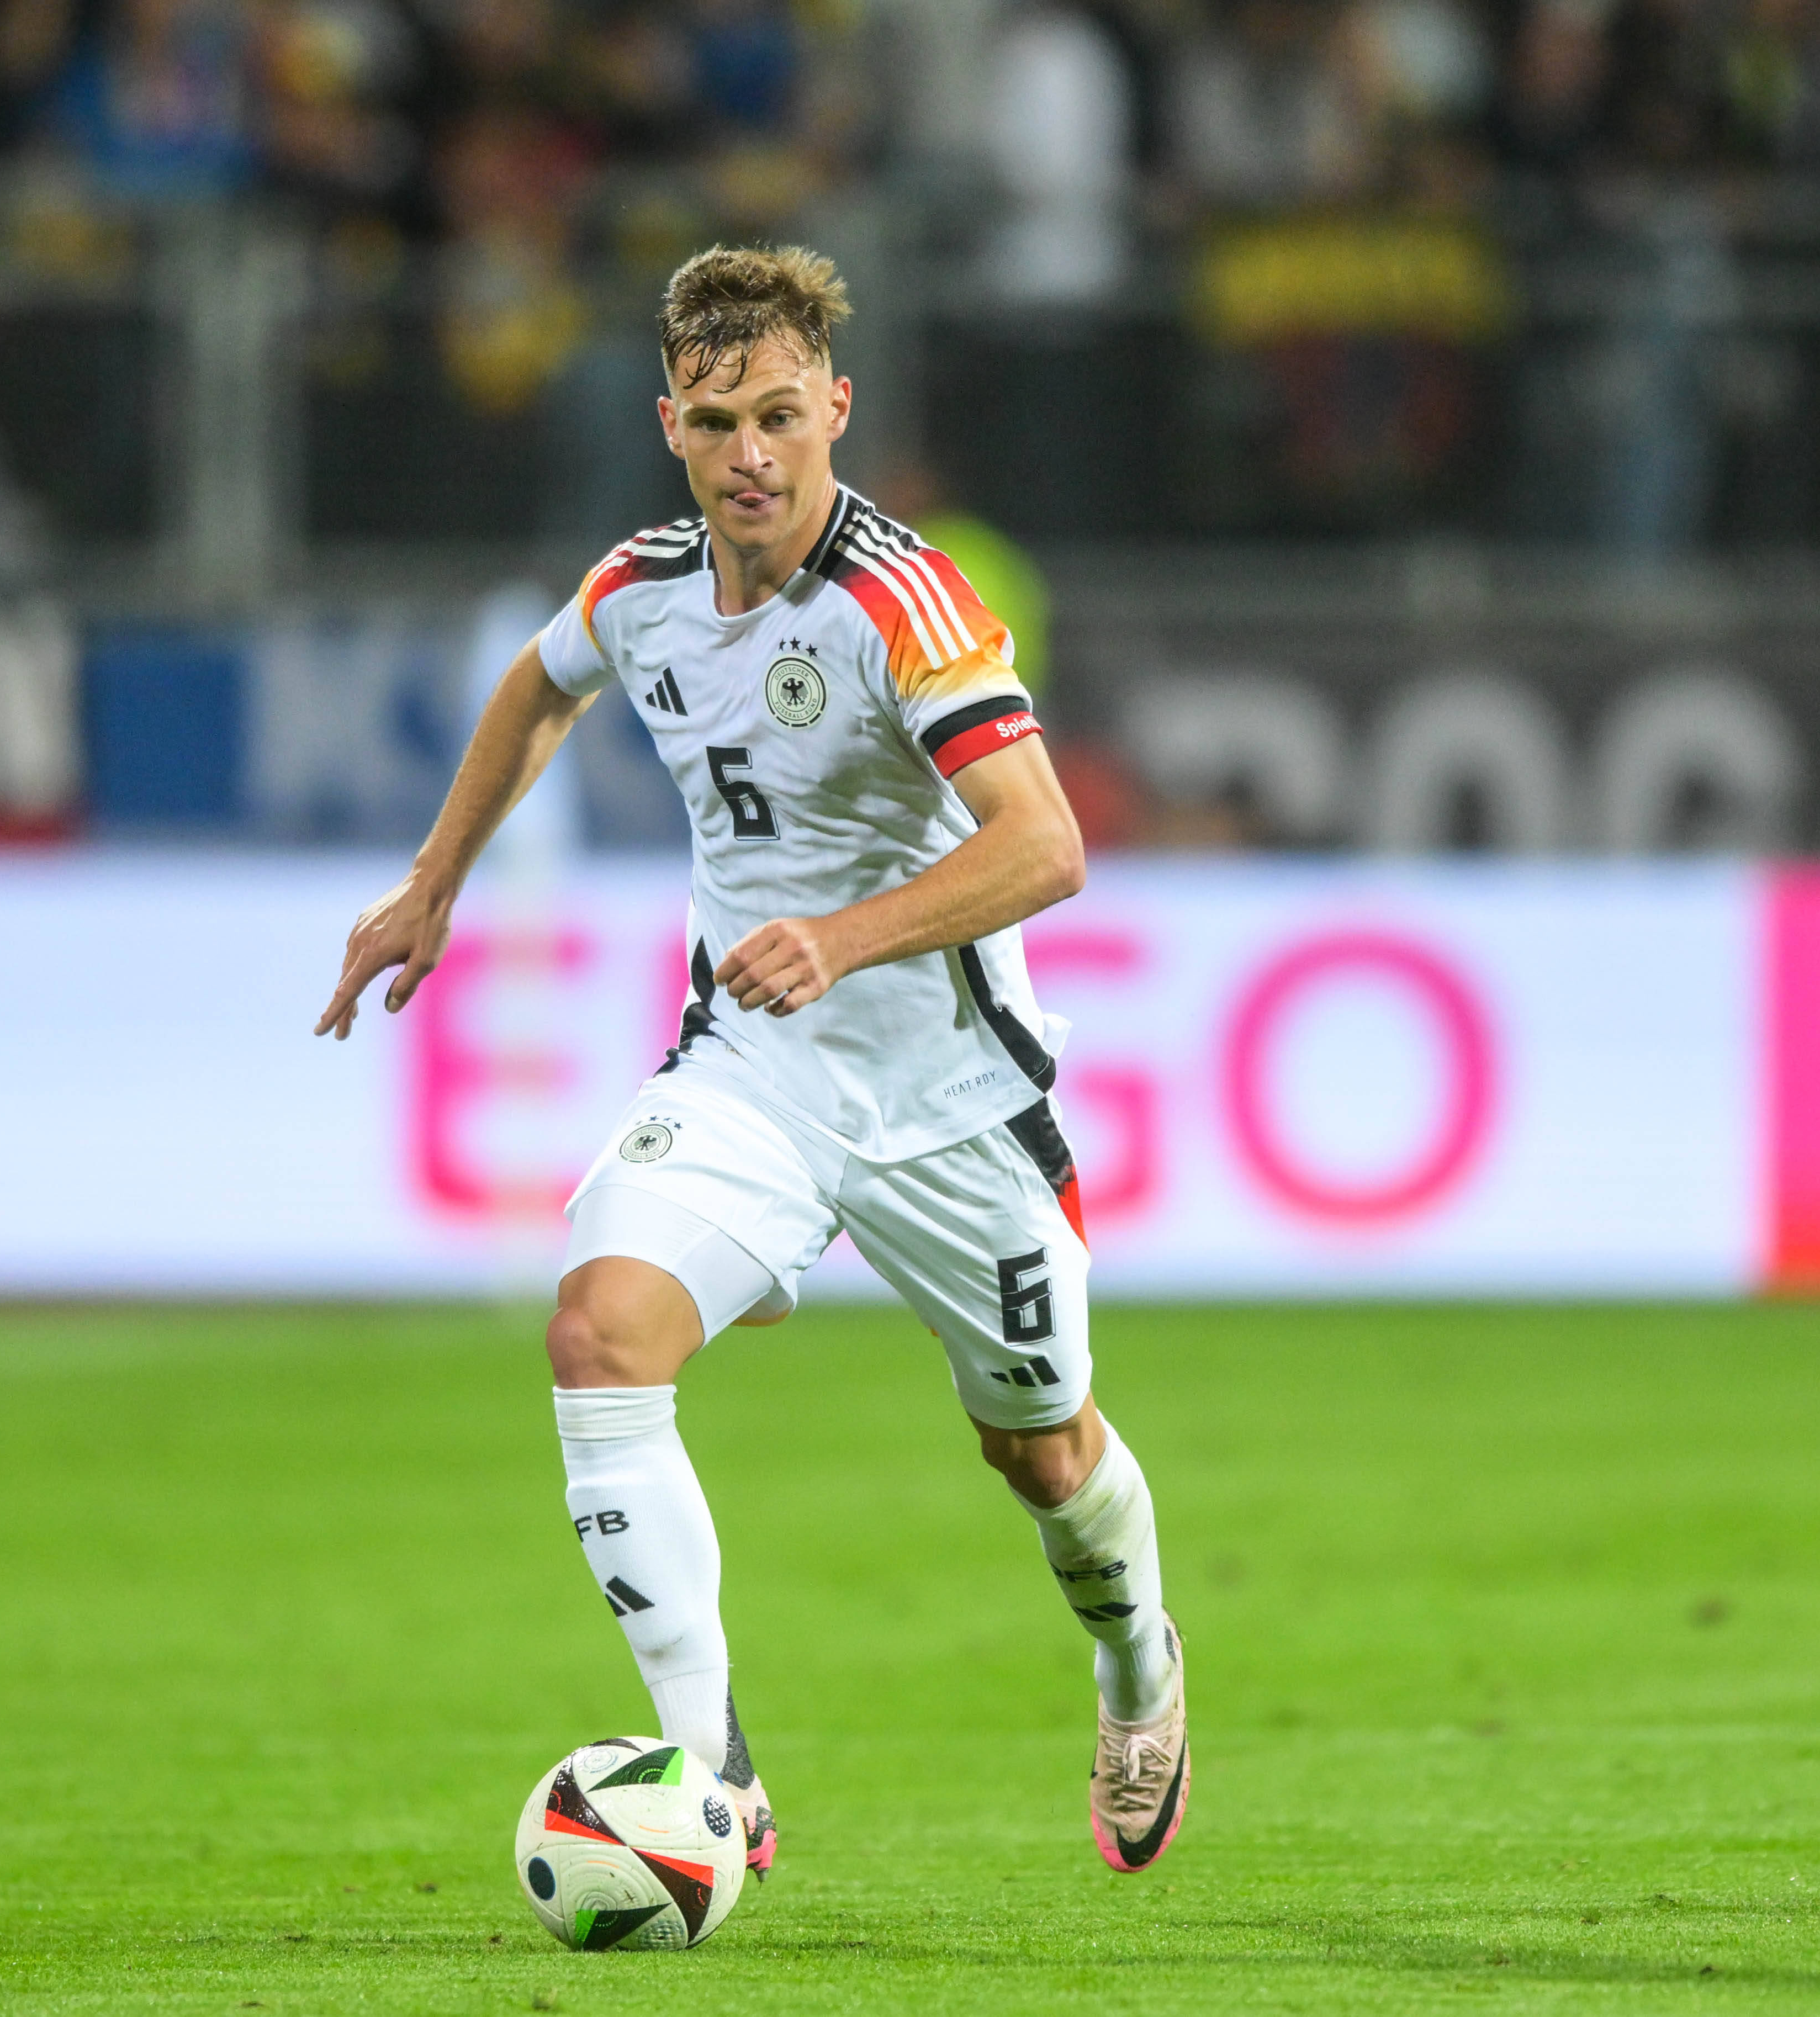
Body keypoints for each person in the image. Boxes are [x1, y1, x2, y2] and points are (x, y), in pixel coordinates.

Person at [313, 245, 1186, 1879]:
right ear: (672, 425)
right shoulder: (640, 587)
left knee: (1043, 1451)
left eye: (782, 415)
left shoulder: (900, 603)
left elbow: (1047, 848)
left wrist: (846, 936)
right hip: (757, 1074)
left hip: (950, 1105)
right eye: (717, 422)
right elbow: (537, 688)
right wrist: (434, 884)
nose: (752, 456)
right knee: (598, 1331)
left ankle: (1139, 1669)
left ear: (836, 408)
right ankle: (712, 1769)